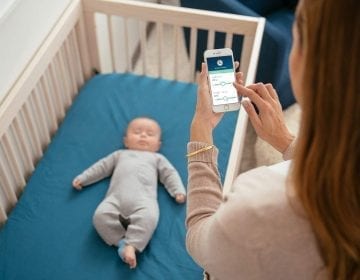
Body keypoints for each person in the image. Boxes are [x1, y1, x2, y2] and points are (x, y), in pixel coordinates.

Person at [185, 0, 359, 279]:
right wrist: (287, 142)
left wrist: (201, 132)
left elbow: (200, 240)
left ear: (308, 59)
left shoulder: (258, 206)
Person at [73, 117, 186, 269]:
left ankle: (132, 246)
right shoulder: (119, 155)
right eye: (137, 132)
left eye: (150, 134)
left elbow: (169, 174)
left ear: (158, 145)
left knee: (149, 217)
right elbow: (101, 167)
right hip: (115, 199)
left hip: (144, 201)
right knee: (100, 216)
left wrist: (177, 191)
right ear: (126, 141)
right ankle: (121, 242)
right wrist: (83, 178)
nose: (143, 135)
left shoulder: (157, 158)